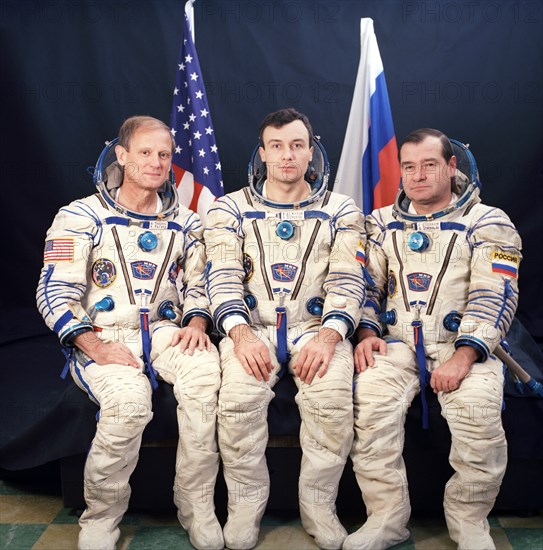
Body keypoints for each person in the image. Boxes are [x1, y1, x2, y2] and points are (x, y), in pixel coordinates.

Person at [36, 116, 223, 550]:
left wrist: (197, 321)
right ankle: (101, 516)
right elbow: (52, 291)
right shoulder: (80, 216)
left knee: (206, 380)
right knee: (128, 404)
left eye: (164, 154)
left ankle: (195, 504)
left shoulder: (188, 222)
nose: (156, 163)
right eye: (145, 152)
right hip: (105, 331)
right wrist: (93, 345)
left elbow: (201, 283)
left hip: (164, 330)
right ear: (121, 155)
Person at [345, 128, 522, 550]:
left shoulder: (489, 223)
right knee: (368, 407)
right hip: (397, 343)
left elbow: (494, 294)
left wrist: (463, 357)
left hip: (462, 345)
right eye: (409, 167)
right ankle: (386, 518)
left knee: (479, 416)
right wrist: (367, 332)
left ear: (451, 166)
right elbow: (365, 286)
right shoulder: (380, 224)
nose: (418, 175)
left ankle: (469, 522)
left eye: (429, 165)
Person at [204, 108, 366, 550]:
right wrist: (238, 333)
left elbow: (349, 280)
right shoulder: (229, 210)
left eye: (297, 145)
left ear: (311, 152)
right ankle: (244, 508)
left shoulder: (341, 210)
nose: (287, 155)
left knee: (332, 406)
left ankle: (318, 507)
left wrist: (330, 336)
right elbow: (220, 276)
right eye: (276, 146)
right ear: (262, 153)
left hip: (314, 329)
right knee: (237, 405)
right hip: (251, 329)